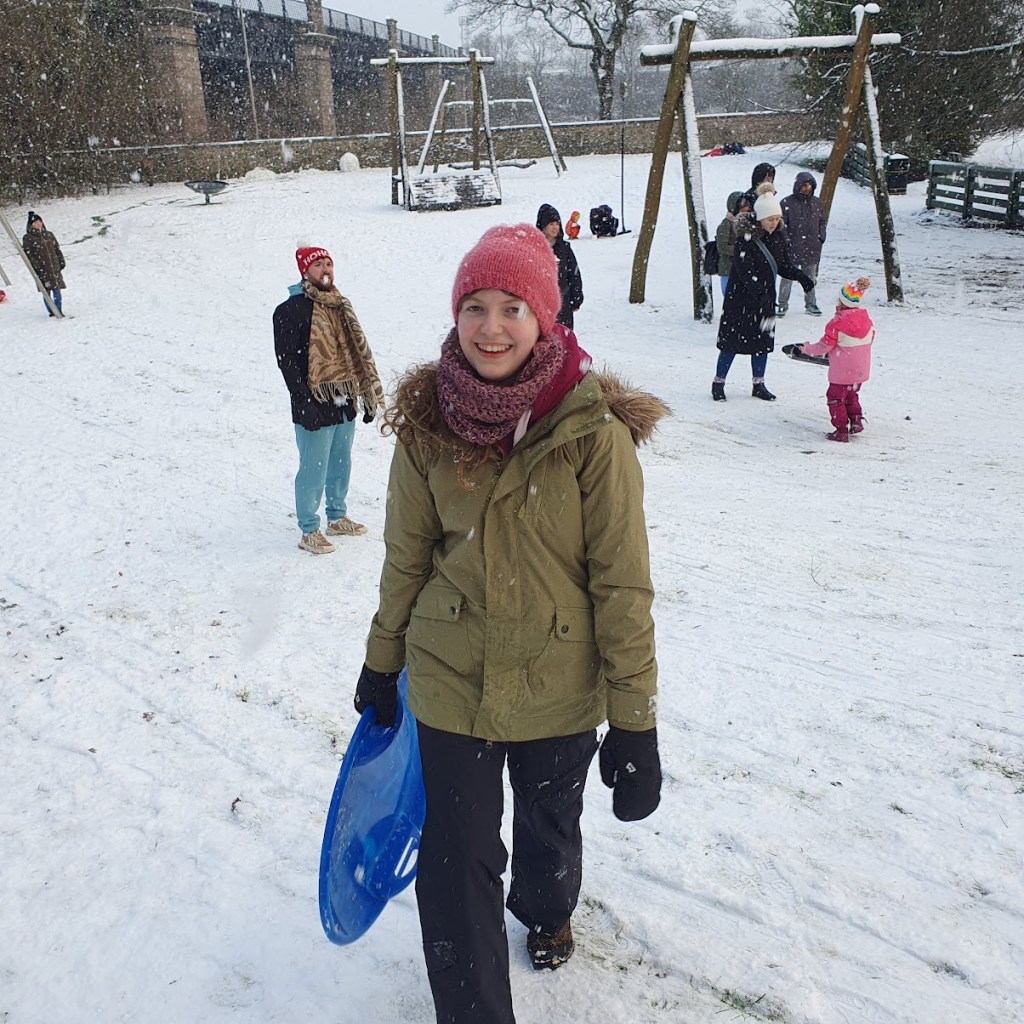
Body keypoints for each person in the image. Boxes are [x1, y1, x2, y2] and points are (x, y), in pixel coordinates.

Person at [354, 224, 666, 1024]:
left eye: (513, 308)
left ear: (548, 319)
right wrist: (382, 660)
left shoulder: (593, 434)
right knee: (456, 863)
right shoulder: (427, 422)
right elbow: (407, 557)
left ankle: (546, 906)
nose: (491, 328)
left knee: (548, 824)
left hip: (560, 679)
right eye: (475, 308)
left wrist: (635, 724)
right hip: (452, 677)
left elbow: (622, 586)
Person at [273, 245, 384, 554]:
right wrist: (304, 402)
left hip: (343, 395)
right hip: (313, 400)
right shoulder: (290, 310)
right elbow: (288, 363)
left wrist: (365, 394)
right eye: (319, 264)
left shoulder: (340, 305)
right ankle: (309, 529)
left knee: (340, 461)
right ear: (305, 271)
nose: (326, 270)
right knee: (314, 466)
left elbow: (357, 351)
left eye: (329, 264)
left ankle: (336, 516)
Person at [713, 183, 815, 402]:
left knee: (762, 344)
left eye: (777, 219)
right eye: (770, 219)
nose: (774, 223)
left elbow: (783, 265)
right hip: (740, 300)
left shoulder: (777, 236)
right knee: (731, 343)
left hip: (765, 300)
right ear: (759, 217)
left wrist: (802, 278)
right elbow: (745, 272)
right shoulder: (745, 239)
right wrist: (760, 296)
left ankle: (759, 384)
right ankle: (718, 382)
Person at [794, 277, 874, 442]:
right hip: (860, 368)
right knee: (851, 395)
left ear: (841, 301)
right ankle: (856, 420)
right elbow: (870, 339)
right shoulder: (866, 320)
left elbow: (824, 347)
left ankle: (841, 430)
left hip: (842, 371)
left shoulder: (836, 323)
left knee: (835, 398)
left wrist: (806, 349)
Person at [777, 171, 827, 317]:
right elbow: (781, 225)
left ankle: (811, 304)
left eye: (810, 185)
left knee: (810, 278)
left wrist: (820, 236)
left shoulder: (817, 203)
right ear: (798, 186)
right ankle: (782, 305)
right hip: (792, 248)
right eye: (804, 185)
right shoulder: (786, 203)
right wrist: (786, 241)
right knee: (787, 278)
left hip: (812, 247)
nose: (807, 188)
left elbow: (822, 221)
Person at [536, 203, 584, 329]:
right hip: (541, 303)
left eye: (557, 224)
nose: (555, 227)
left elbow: (574, 273)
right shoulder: (534, 247)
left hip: (563, 302)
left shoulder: (565, 248)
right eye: (551, 224)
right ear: (543, 226)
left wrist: (576, 297)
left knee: (564, 338)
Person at [22, 211, 65, 316]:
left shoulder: (49, 235)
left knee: (57, 290)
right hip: (42, 270)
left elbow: (56, 249)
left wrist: (61, 261)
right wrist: (37, 267)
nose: (38, 224)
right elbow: (29, 255)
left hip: (54, 268)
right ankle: (52, 312)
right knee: (47, 292)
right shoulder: (28, 238)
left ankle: (58, 311)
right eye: (35, 222)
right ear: (31, 224)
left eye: (39, 221)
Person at [715, 191, 746, 296]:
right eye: (743, 204)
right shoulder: (726, 224)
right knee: (729, 294)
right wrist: (740, 250)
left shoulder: (745, 223)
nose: (746, 208)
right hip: (728, 268)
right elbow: (722, 246)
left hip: (740, 267)